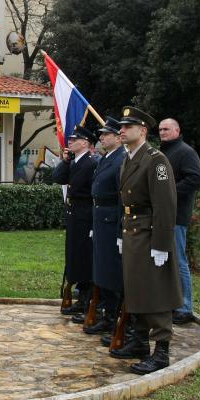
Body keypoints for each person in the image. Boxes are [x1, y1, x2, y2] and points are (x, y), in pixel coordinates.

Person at [109, 107, 182, 375]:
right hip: (132, 233)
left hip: (150, 234)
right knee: (136, 289)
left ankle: (161, 351)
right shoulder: (129, 158)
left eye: (128, 126)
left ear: (143, 130)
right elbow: (125, 202)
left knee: (156, 291)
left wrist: (162, 243)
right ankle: (139, 341)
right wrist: (121, 232)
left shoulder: (156, 160)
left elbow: (165, 205)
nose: (122, 130)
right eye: (122, 126)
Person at [159, 117, 200, 325]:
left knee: (178, 261)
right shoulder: (163, 153)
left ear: (177, 130)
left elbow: (196, 179)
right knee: (165, 260)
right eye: (160, 129)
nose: (162, 132)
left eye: (167, 129)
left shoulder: (185, 152)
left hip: (177, 216)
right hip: (161, 215)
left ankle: (185, 307)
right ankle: (170, 302)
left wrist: (169, 193)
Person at [52, 125, 97, 321]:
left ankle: (87, 300)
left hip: (85, 215)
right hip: (74, 214)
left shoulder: (91, 162)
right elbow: (58, 178)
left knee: (84, 257)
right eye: (70, 139)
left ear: (86, 143)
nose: (70, 142)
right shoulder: (74, 161)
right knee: (74, 256)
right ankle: (81, 296)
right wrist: (65, 161)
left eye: (75, 140)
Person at [86, 117, 126, 340]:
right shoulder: (105, 159)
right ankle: (107, 315)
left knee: (112, 271)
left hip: (112, 220)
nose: (101, 138)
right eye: (100, 135)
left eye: (105, 134)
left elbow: (123, 197)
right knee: (101, 269)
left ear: (118, 138)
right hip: (100, 218)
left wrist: (120, 229)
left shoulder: (121, 160)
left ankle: (116, 318)